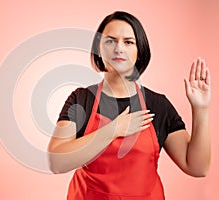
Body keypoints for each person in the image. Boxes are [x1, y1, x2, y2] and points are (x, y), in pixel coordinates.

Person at [47, 11, 211, 199]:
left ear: (139, 52)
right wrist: (114, 129)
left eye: (128, 42)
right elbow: (57, 162)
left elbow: (197, 167)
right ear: (98, 50)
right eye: (110, 41)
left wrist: (201, 109)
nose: (118, 48)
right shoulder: (82, 100)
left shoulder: (157, 105)